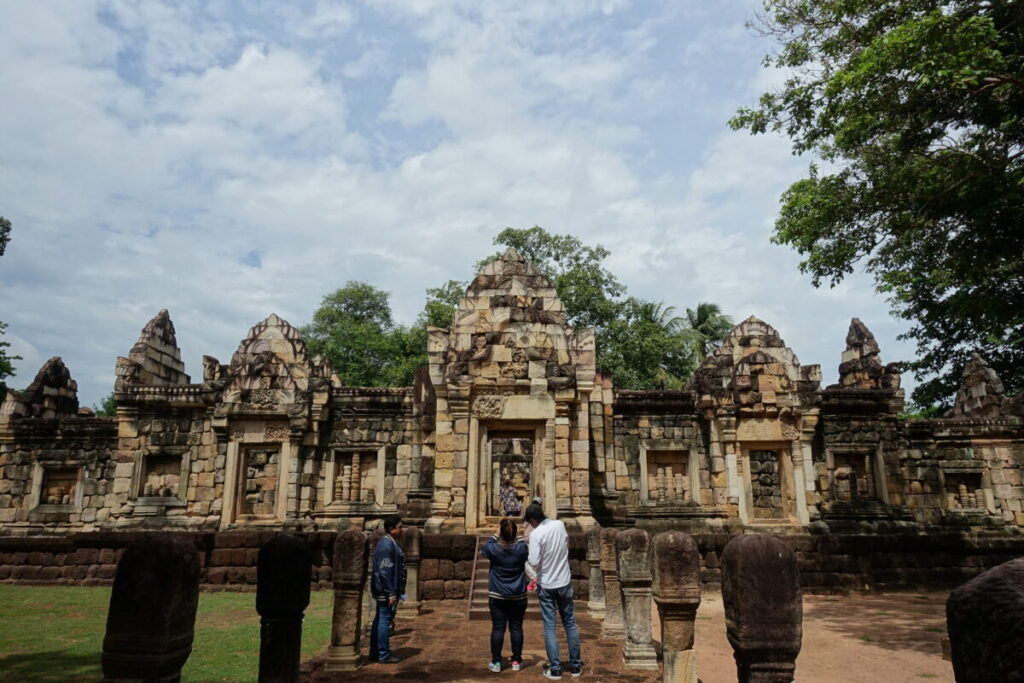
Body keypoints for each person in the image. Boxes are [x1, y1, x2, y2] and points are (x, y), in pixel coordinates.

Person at [525, 502, 582, 679]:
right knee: (570, 624)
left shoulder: (536, 534)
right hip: (564, 581)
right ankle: (575, 667)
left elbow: (533, 561)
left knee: (550, 627)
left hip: (547, 584)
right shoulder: (559, 525)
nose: (529, 525)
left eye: (529, 522)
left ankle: (556, 669)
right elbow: (565, 543)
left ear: (533, 519)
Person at [481, 518, 530, 673]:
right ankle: (516, 661)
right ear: (515, 534)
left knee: (498, 628)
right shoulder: (521, 548)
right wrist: (519, 534)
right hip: (518, 596)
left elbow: (485, 547)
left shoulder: (494, 549)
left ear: (501, 534)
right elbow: (525, 544)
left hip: (498, 596)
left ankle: (496, 662)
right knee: (516, 628)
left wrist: (496, 534)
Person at [369, 515, 407, 664]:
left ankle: (375, 652)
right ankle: (383, 654)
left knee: (380, 619)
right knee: (385, 620)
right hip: (385, 590)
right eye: (400, 526)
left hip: (386, 588)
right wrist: (391, 592)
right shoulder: (386, 545)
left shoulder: (391, 543)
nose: (402, 529)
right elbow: (385, 572)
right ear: (392, 529)